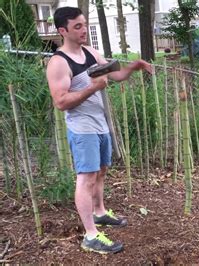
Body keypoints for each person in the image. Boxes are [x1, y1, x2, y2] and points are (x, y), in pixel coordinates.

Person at [46, 6, 151, 254]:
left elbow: (115, 75)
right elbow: (60, 102)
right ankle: (90, 235)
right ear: (63, 31)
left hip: (100, 125)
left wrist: (133, 67)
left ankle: (100, 212)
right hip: (82, 129)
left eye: (84, 24)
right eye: (78, 27)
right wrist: (92, 89)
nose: (84, 30)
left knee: (101, 171)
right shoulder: (59, 63)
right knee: (86, 178)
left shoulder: (91, 53)